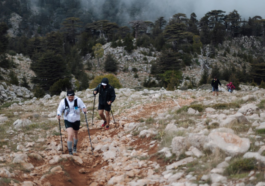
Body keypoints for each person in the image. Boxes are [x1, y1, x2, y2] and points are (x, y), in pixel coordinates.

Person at [57, 90, 87, 155]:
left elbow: (83, 106)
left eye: (72, 97)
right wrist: (58, 114)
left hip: (76, 119)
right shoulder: (63, 101)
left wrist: (84, 109)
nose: (70, 98)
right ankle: (70, 151)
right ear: (67, 96)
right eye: (69, 97)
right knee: (70, 134)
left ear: (74, 96)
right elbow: (59, 109)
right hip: (67, 119)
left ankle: (75, 147)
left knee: (76, 134)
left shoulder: (78, 100)